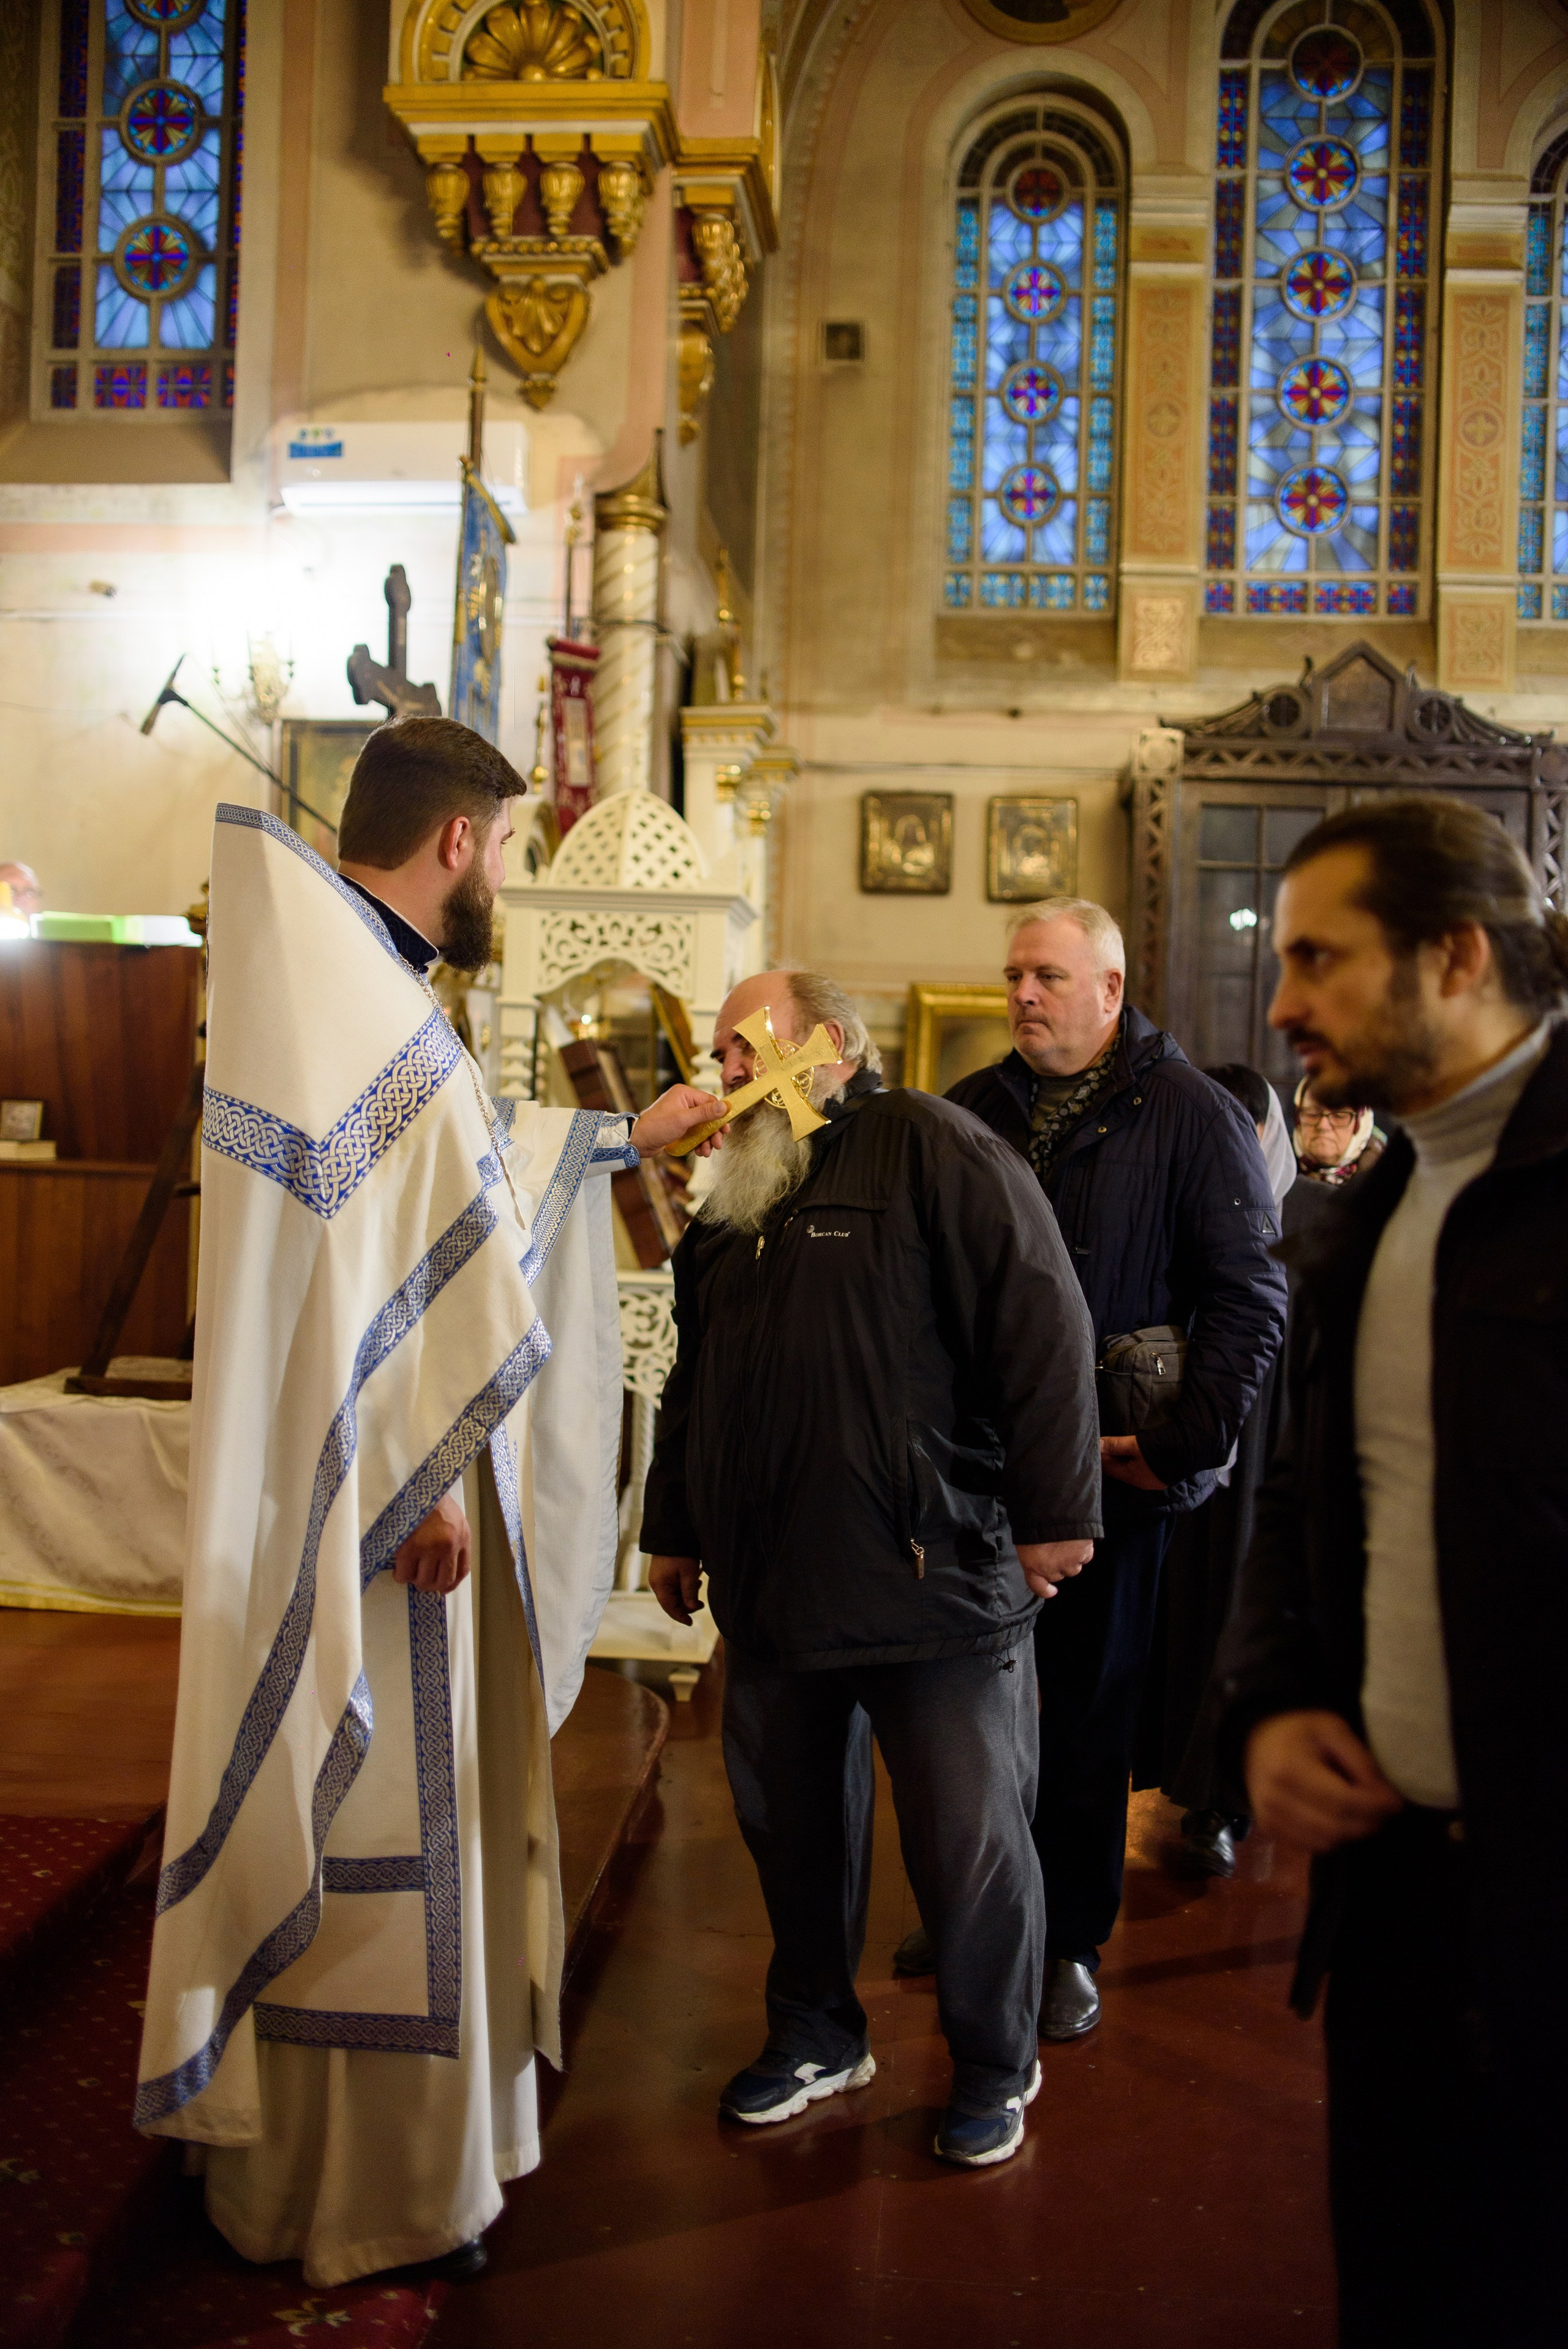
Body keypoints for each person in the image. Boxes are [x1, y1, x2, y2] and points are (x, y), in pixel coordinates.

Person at [135, 717, 723, 2286]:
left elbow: (448, 1202)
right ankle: (367, 2194)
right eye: (507, 850)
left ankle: (354, 2176)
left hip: (377, 1479)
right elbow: (376, 1274)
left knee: (397, 1821)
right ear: (458, 842)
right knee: (381, 1819)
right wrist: (418, 1477)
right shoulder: (358, 1006)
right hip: (390, 1509)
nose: (504, 884)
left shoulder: (347, 986)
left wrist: (615, 1136)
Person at [641, 967, 1101, 2166]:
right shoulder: (733, 1193)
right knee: (788, 1832)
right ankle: (813, 2033)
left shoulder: (929, 1148)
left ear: (829, 1046)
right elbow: (696, 1378)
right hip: (775, 1588)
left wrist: (1058, 1509)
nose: (725, 1075)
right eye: (727, 1056)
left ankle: (996, 2060)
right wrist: (673, 1525)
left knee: (965, 1843)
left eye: (746, 1052)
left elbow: (1040, 1319)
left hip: (930, 1576)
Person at [1217, 794, 1568, 2348]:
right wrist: (1279, 1696)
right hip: (1402, 1906)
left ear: (1454, 952)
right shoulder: (1379, 1205)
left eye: (1318, 959)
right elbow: (1315, 1486)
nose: (1281, 1003)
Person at [944, 899, 1286, 2038]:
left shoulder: (1191, 1114)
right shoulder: (975, 1109)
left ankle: (1066, 1939)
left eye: (1046, 975)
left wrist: (1186, 1444)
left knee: (1086, 1718)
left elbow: (1250, 1293)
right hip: (978, 1472)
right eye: (1012, 977)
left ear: (1110, 987)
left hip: (1110, 1476)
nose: (1023, 996)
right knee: (967, 1712)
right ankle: (984, 1912)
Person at [1133, 1063, 1295, 1879]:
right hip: (1171, 1467)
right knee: (1173, 1631)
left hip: (1257, 1478)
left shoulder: (1298, 1239)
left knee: (1232, 1626)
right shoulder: (1176, 1216)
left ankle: (1218, 1800)